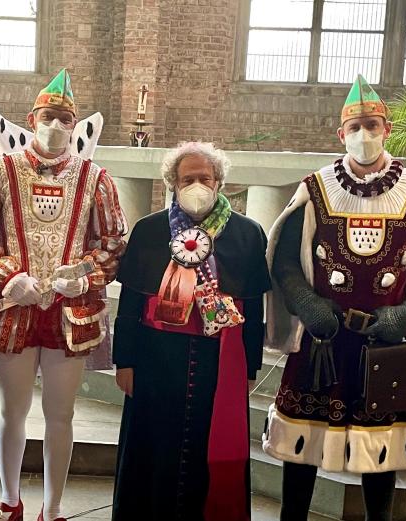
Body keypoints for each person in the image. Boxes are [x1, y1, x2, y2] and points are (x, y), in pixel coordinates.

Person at [263, 74, 406, 521]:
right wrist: (307, 305)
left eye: (372, 125)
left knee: (384, 451)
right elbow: (284, 263)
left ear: (387, 129)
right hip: (322, 342)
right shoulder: (314, 189)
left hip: (388, 341)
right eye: (355, 127)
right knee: (302, 449)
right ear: (341, 135)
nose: (364, 135)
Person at [0, 68, 126, 521]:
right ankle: (10, 499)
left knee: (61, 414)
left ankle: (52, 508)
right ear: (33, 119)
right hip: (14, 307)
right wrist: (9, 276)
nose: (56, 126)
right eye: (48, 116)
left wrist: (85, 276)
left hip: (70, 311)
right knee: (12, 410)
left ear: (75, 126)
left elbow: (111, 241)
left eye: (64, 119)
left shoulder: (95, 179)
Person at [112, 141, 271, 521]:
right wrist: (124, 362)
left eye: (205, 177)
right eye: (188, 179)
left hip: (219, 360)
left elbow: (253, 305)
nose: (197, 185)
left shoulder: (248, 233)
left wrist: (249, 368)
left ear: (219, 183)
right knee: (153, 445)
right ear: (173, 183)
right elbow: (131, 302)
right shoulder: (150, 230)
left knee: (207, 447)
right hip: (155, 357)